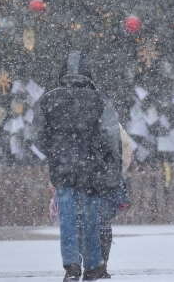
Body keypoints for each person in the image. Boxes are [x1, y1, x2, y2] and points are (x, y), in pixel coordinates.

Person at [34, 51, 123, 282]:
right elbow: (112, 136)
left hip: (62, 167)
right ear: (87, 73)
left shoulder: (48, 99)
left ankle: (71, 265)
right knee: (92, 216)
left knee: (68, 218)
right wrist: (109, 160)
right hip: (91, 168)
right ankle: (93, 265)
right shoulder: (99, 100)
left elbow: (37, 136)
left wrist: (55, 152)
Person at [76, 117, 134, 278]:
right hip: (106, 180)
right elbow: (126, 149)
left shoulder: (75, 120)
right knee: (103, 223)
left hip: (82, 180)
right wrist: (118, 171)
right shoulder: (112, 123)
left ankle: (87, 264)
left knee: (82, 222)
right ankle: (101, 264)